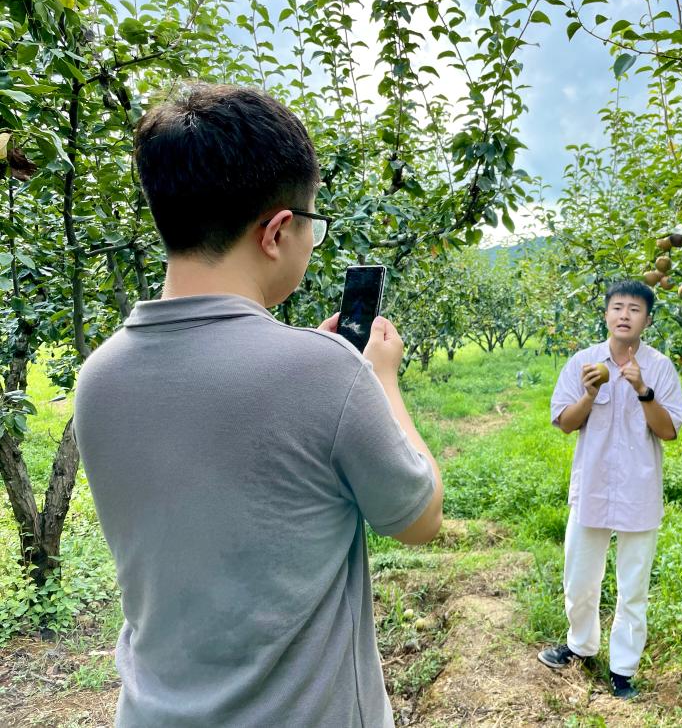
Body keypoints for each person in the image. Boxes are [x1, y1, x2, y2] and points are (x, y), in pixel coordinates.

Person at [72, 83, 442, 727]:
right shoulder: (324, 374)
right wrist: (379, 379)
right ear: (276, 231)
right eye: (311, 224)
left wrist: (325, 376)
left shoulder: (97, 376)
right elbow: (418, 520)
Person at [537, 279, 682, 699]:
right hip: (594, 488)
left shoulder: (660, 368)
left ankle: (623, 671)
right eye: (617, 307)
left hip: (639, 490)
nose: (625, 315)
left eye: (634, 309)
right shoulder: (583, 363)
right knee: (580, 578)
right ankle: (580, 646)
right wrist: (589, 394)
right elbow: (565, 423)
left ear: (647, 320)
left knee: (633, 587)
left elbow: (668, 431)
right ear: (606, 315)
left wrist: (642, 389)